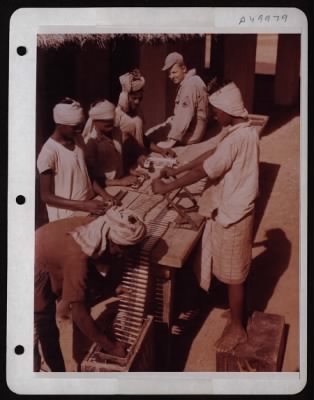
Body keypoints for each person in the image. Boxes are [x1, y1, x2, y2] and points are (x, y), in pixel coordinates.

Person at [152, 82, 259, 352]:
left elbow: (206, 170)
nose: (213, 116)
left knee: (234, 275)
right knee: (227, 267)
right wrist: (176, 172)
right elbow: (210, 154)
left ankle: (238, 328)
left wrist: (166, 186)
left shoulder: (238, 138)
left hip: (234, 212)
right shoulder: (238, 130)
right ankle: (234, 312)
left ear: (226, 110)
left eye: (215, 111)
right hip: (231, 206)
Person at [34, 207, 146, 372]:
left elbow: (91, 261)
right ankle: (54, 375)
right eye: (124, 249)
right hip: (33, 260)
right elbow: (78, 315)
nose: (125, 255)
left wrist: (111, 288)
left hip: (49, 246)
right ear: (112, 241)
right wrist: (111, 347)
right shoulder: (76, 259)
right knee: (43, 324)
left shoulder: (98, 227)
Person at [37, 98, 112, 222]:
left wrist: (105, 195)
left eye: (80, 126)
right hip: (67, 216)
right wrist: (83, 205)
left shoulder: (78, 140)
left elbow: (86, 174)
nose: (79, 130)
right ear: (60, 125)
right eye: (75, 127)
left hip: (89, 206)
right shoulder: (49, 152)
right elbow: (46, 196)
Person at [145, 52, 209, 155]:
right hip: (189, 127)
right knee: (152, 132)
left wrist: (171, 141)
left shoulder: (190, 85)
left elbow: (185, 116)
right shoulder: (191, 81)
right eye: (169, 73)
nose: (170, 76)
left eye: (174, 72)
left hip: (191, 133)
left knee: (149, 140)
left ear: (183, 68)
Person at [82, 99, 146, 188]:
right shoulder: (90, 142)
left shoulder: (116, 132)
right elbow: (89, 178)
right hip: (105, 187)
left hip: (121, 181)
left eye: (112, 119)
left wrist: (129, 170)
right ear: (95, 120)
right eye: (106, 120)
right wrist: (119, 182)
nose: (111, 123)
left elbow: (117, 160)